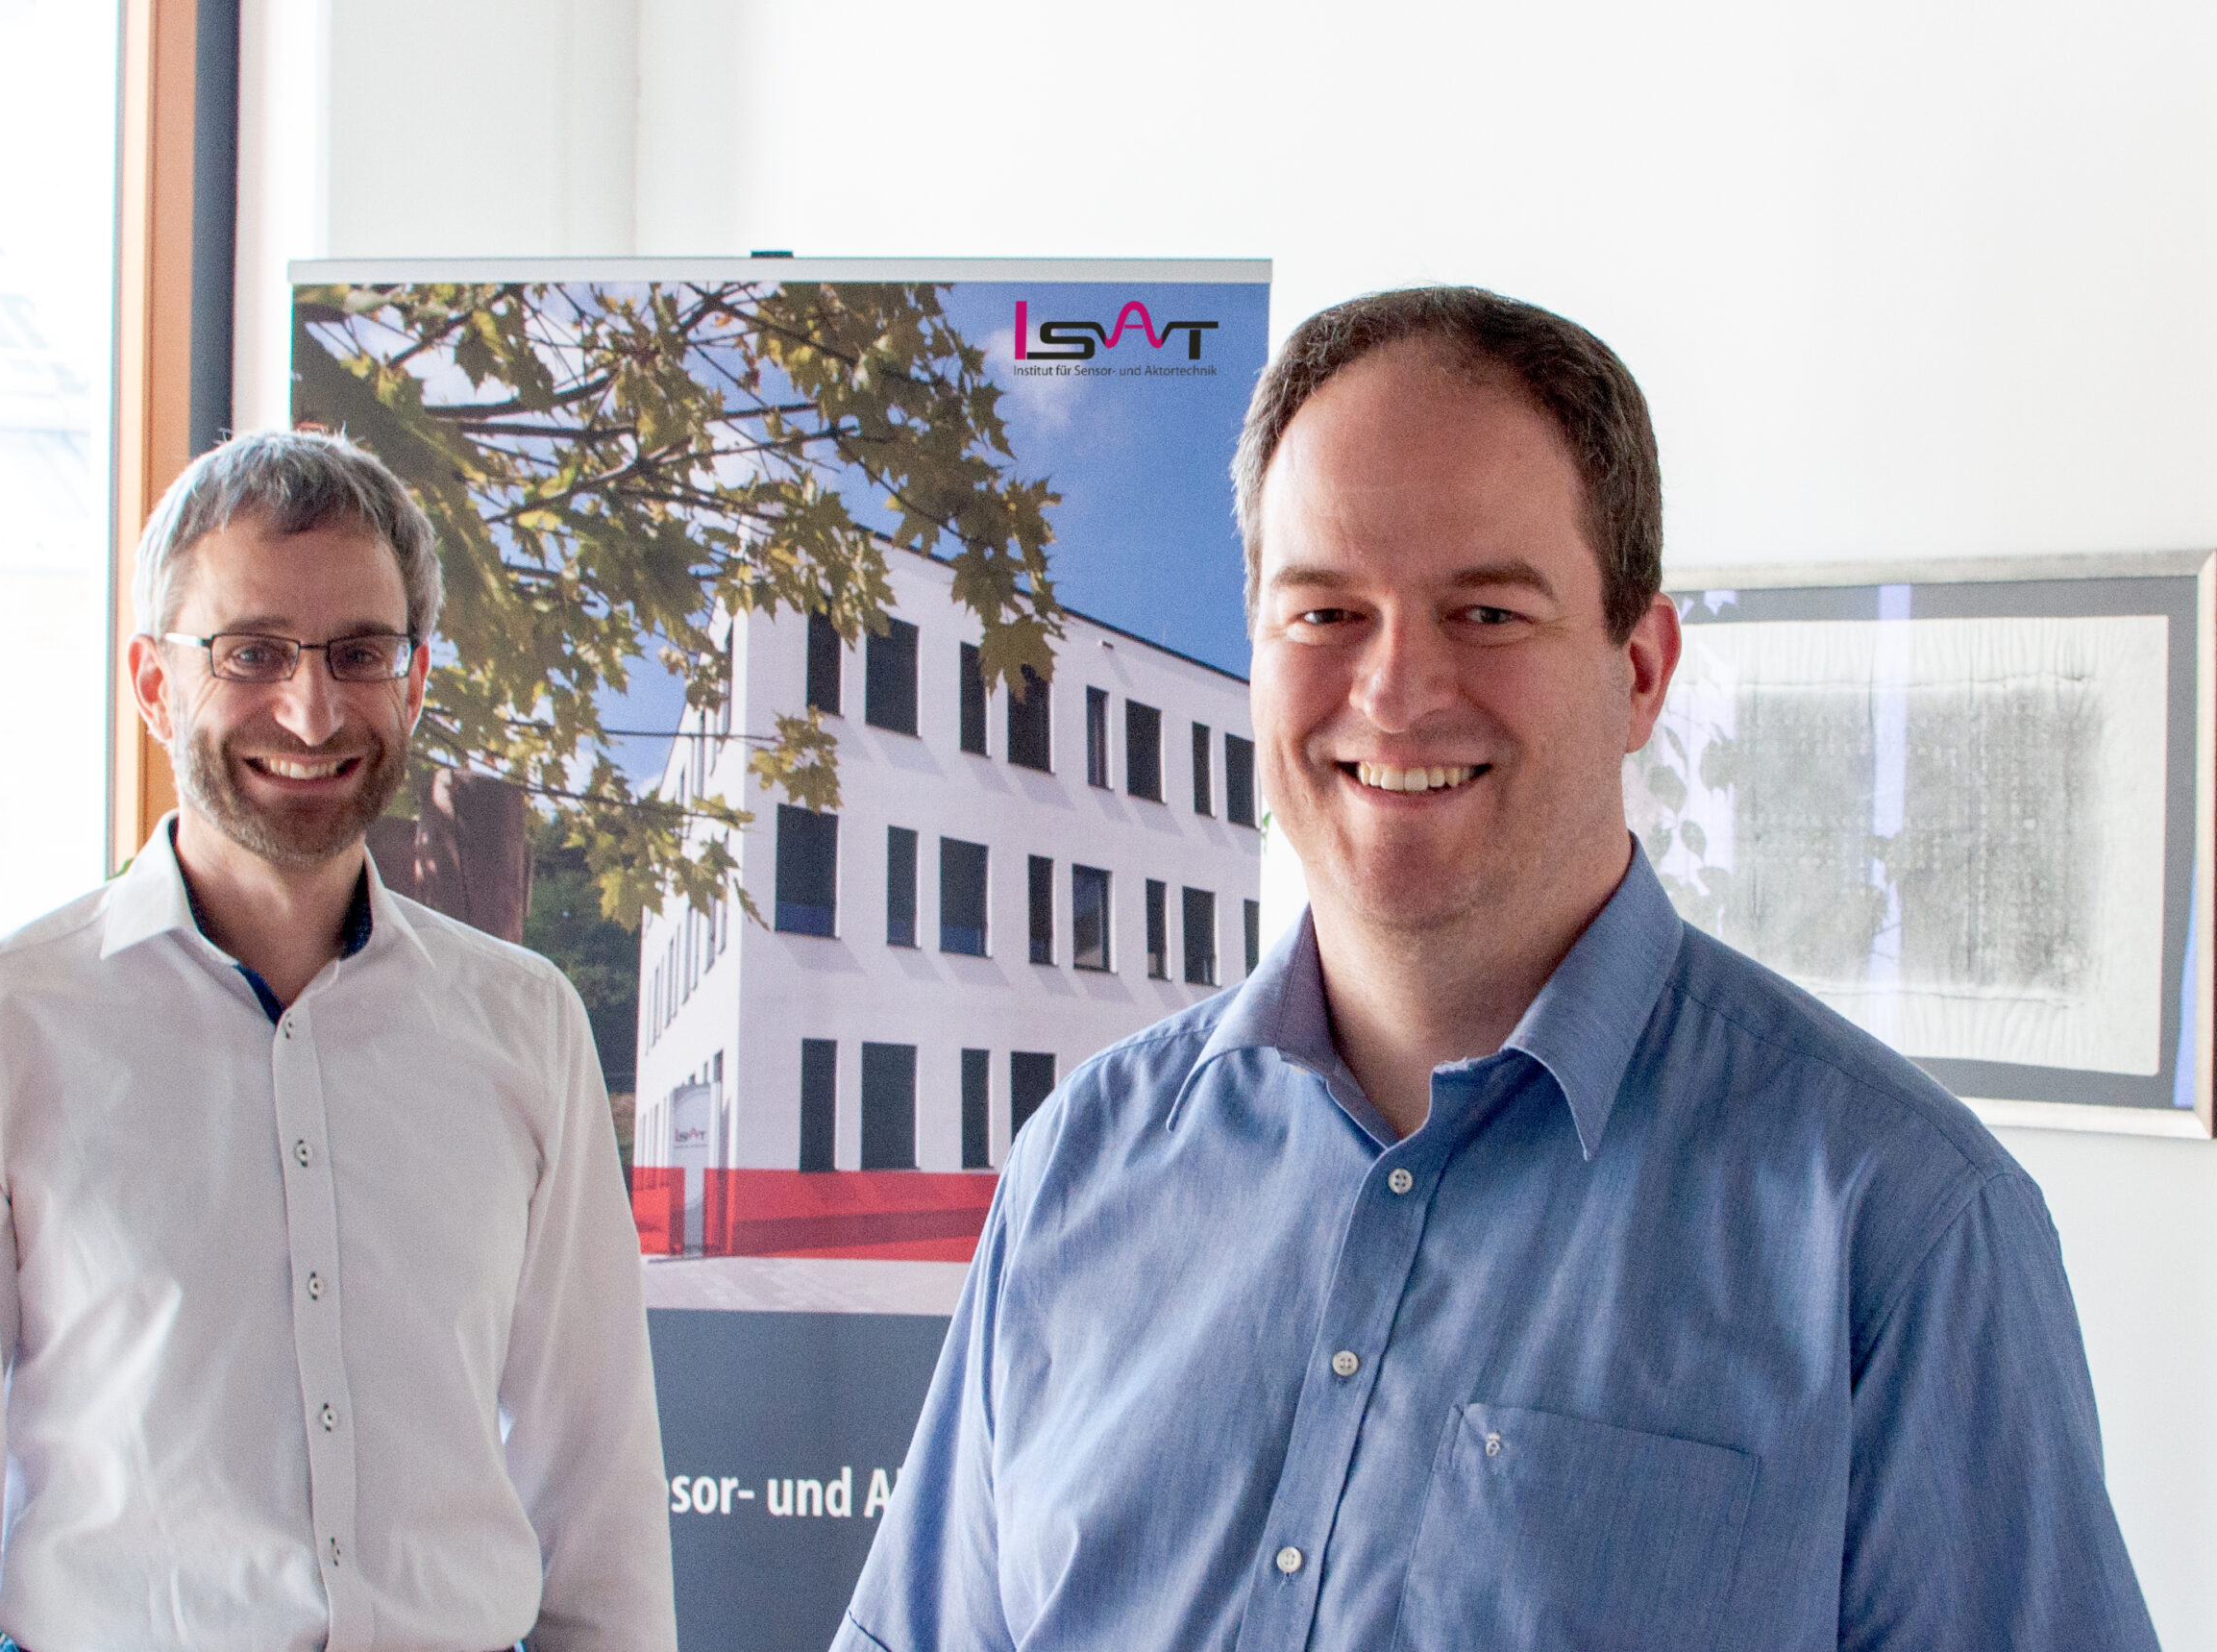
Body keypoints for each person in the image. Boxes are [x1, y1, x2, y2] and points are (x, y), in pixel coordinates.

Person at [834, 288, 2158, 1652]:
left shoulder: (1902, 1227)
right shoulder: (1082, 1165)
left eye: (1484, 611)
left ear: (1639, 669)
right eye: (1326, 610)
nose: (1395, 690)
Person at [0, 431, 677, 1652]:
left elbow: (600, 1498)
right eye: (254, 652)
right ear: (154, 683)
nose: (312, 706)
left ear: (416, 678)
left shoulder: (524, 1023)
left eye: (358, 653)